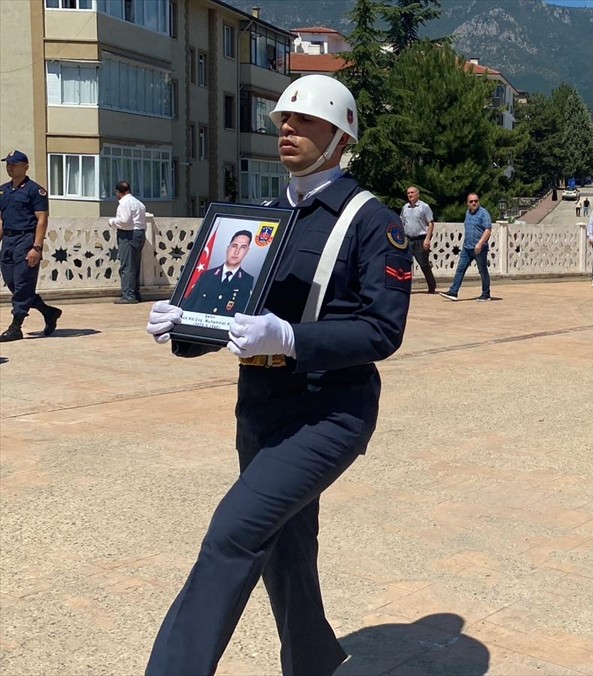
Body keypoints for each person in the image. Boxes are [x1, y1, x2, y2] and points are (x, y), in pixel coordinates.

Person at [142, 73, 413, 675]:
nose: (288, 130)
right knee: (285, 550)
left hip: (329, 411)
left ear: (341, 137)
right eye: (283, 121)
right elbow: (221, 313)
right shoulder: (258, 218)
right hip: (260, 406)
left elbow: (382, 330)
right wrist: (181, 323)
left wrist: (292, 338)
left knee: (233, 533)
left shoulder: (372, 222)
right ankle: (317, 664)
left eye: (306, 122)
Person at [0, 150, 62, 342]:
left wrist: (36, 247)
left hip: (26, 240)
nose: (10, 167)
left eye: (14, 164)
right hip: (8, 240)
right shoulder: (3, 190)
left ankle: (16, 325)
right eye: (8, 164)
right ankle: (48, 312)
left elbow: (42, 219)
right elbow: (1, 220)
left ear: (25, 167)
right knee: (13, 283)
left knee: (23, 282)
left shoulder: (35, 190)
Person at [179, 231, 256, 317]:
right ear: (228, 248)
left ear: (247, 251)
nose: (236, 252)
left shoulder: (249, 281)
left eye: (243, 247)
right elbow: (187, 307)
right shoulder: (206, 276)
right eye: (234, 246)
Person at [440, 193, 492, 302]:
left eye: (476, 201)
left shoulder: (484, 213)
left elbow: (488, 230)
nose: (474, 203)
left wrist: (480, 243)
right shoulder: (467, 213)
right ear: (467, 203)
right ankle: (453, 292)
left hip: (479, 248)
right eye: (471, 201)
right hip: (467, 248)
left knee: (482, 271)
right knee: (460, 269)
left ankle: (486, 294)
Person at [110, 180, 148, 304]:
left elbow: (124, 221)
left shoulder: (124, 203)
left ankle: (128, 295)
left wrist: (112, 222)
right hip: (139, 233)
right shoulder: (139, 203)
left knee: (127, 266)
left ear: (118, 192)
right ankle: (135, 293)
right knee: (135, 265)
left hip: (128, 235)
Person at [401, 185, 437, 294]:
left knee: (424, 264)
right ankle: (405, 288)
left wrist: (427, 239)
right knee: (405, 264)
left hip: (421, 239)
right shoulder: (405, 207)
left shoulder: (424, 207)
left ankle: (432, 286)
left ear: (418, 194)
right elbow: (402, 222)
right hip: (408, 240)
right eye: (408, 193)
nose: (410, 195)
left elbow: (430, 223)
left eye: (412, 193)